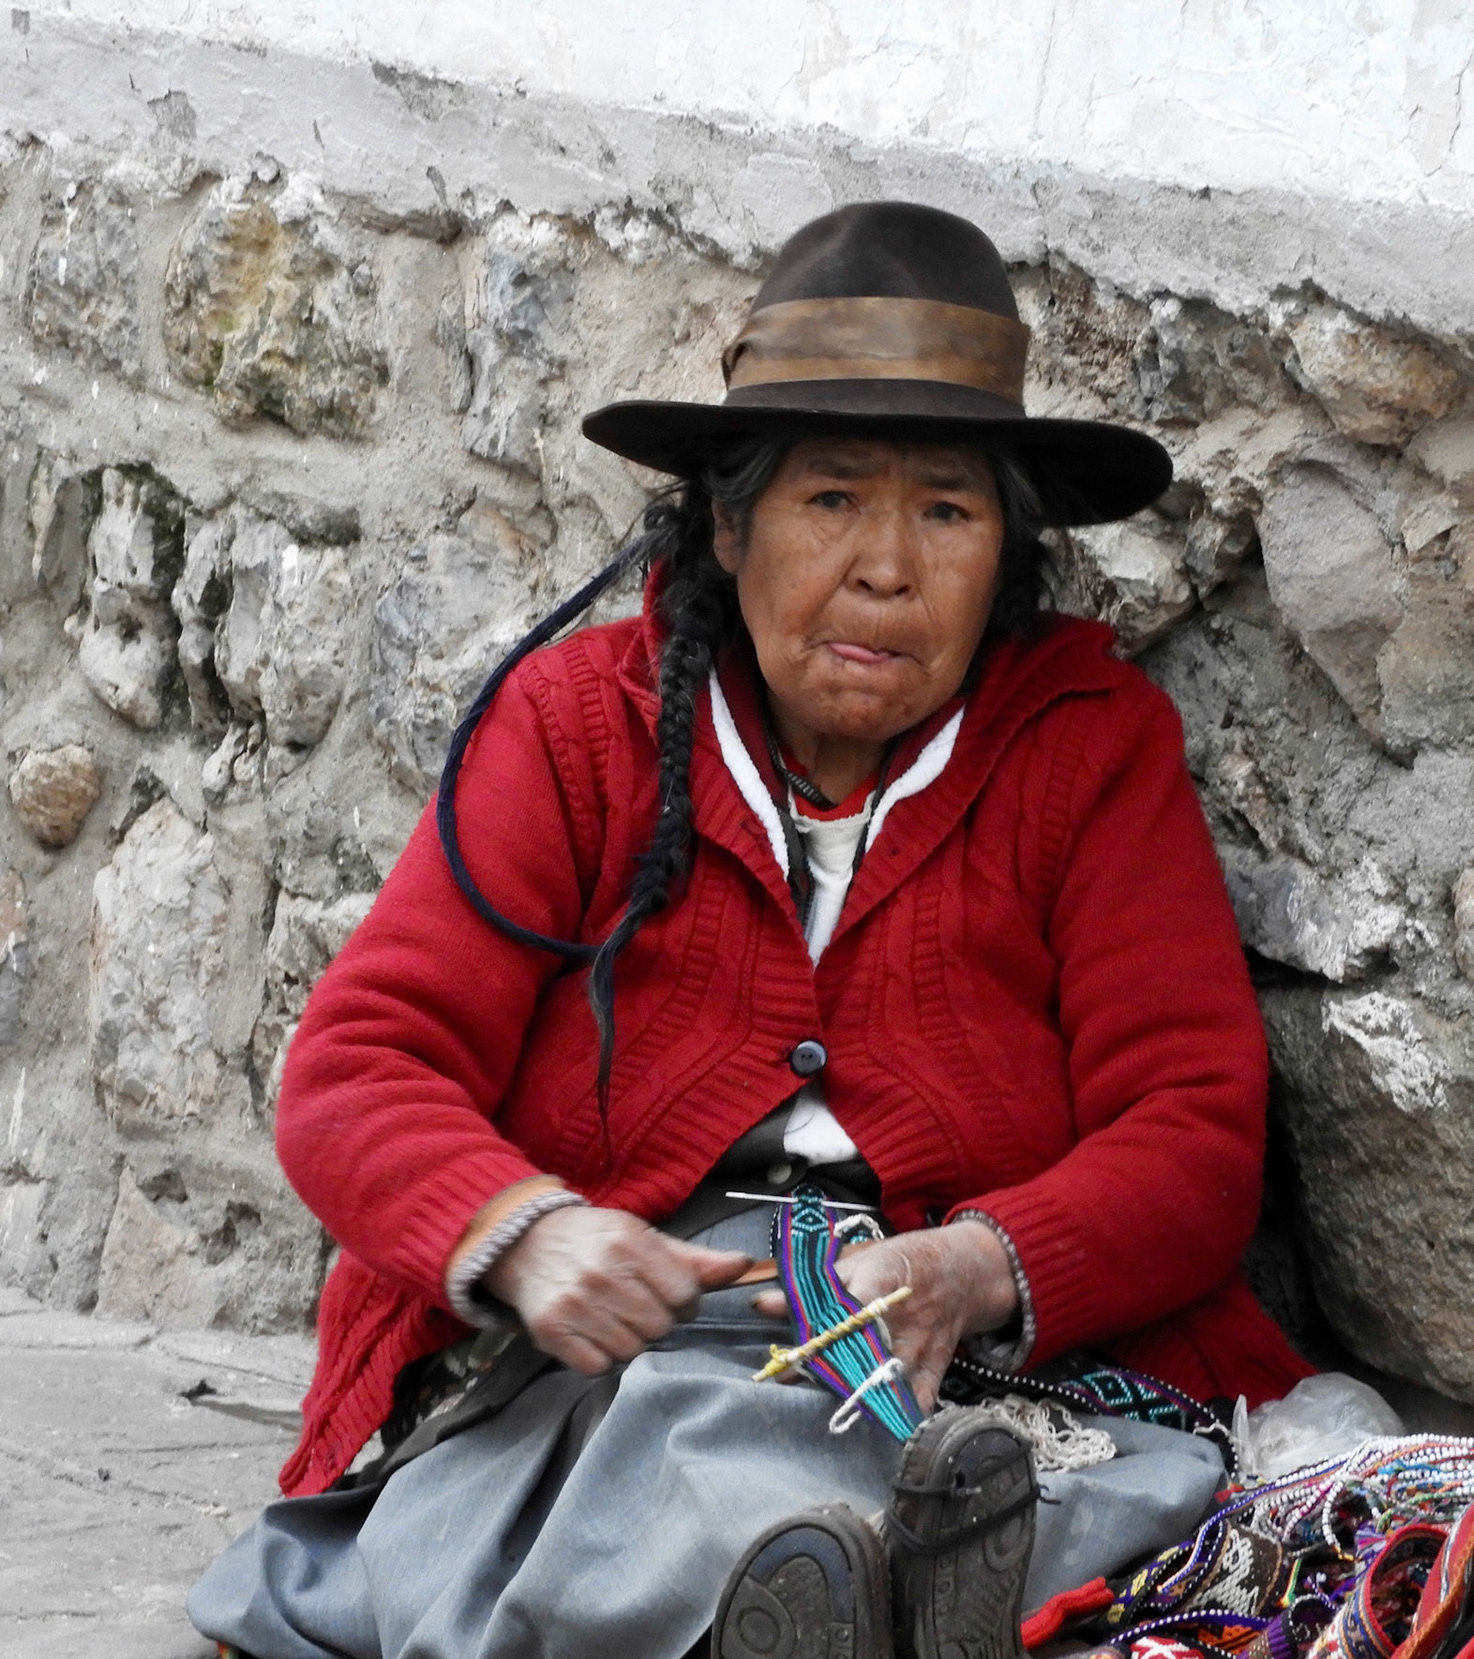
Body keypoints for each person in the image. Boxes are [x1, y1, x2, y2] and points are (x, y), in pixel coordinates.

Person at [189, 201, 1310, 1659]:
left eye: (948, 512)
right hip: (621, 1345)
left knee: (1065, 1484)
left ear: (1005, 552)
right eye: (832, 500)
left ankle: (837, 1587)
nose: (888, 569)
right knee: (668, 1440)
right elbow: (358, 1070)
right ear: (729, 524)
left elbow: (1194, 1128)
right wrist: (529, 1237)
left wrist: (979, 1264)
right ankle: (848, 1598)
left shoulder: (1087, 747)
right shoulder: (583, 727)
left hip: (938, 1352)